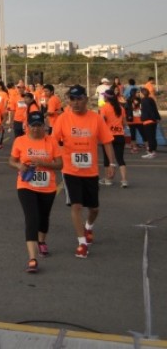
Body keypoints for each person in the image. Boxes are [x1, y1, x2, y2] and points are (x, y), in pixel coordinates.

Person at [51, 84, 115, 258]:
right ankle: (82, 243)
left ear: (86, 99)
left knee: (94, 208)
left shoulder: (96, 119)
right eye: (72, 99)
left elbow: (107, 141)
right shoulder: (63, 119)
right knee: (76, 206)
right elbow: (53, 141)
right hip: (70, 169)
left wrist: (111, 164)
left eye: (79, 99)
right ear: (68, 101)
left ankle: (89, 227)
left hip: (91, 171)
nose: (76, 102)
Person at [9, 112, 63, 274]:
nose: (36, 129)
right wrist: (20, 166)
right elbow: (12, 161)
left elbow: (60, 164)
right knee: (31, 218)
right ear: (28, 126)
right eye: (33, 125)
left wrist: (42, 162)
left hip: (47, 186)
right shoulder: (20, 141)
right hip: (26, 185)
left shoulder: (51, 141)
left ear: (44, 126)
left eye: (39, 125)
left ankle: (42, 241)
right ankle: (32, 258)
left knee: (43, 218)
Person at [99, 90, 128, 187]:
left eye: (104, 96)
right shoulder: (120, 108)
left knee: (107, 158)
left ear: (107, 97)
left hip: (108, 136)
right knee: (120, 158)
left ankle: (108, 179)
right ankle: (124, 180)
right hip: (120, 135)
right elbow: (124, 123)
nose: (103, 97)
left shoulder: (104, 108)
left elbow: (102, 122)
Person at [139, 87, 161, 159]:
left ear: (142, 93)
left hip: (148, 121)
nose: (139, 94)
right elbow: (155, 109)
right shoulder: (151, 99)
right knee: (153, 136)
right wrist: (157, 118)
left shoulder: (144, 101)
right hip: (153, 121)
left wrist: (143, 118)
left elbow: (148, 111)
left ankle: (151, 152)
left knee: (150, 137)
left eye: (140, 93)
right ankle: (153, 151)